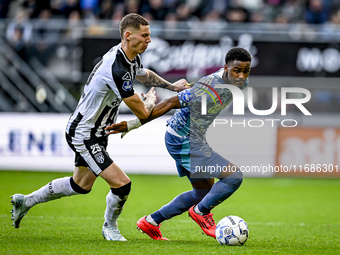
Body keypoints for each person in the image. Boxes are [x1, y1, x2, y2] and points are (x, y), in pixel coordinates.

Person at [10, 13, 187, 241]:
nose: (149, 40)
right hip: (85, 134)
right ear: (128, 35)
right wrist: (151, 101)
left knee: (80, 185)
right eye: (145, 36)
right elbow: (143, 113)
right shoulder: (117, 68)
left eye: (149, 35)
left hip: (96, 131)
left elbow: (144, 75)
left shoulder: (128, 56)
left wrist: (172, 86)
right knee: (122, 184)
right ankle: (110, 228)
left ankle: (26, 201)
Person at [105, 47, 252, 240]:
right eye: (236, 70)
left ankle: (150, 222)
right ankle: (201, 213)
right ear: (226, 67)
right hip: (183, 140)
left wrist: (183, 85)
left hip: (192, 138)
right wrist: (132, 124)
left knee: (203, 191)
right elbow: (168, 104)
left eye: (246, 71)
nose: (241, 76)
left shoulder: (237, 82)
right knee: (233, 177)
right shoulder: (207, 89)